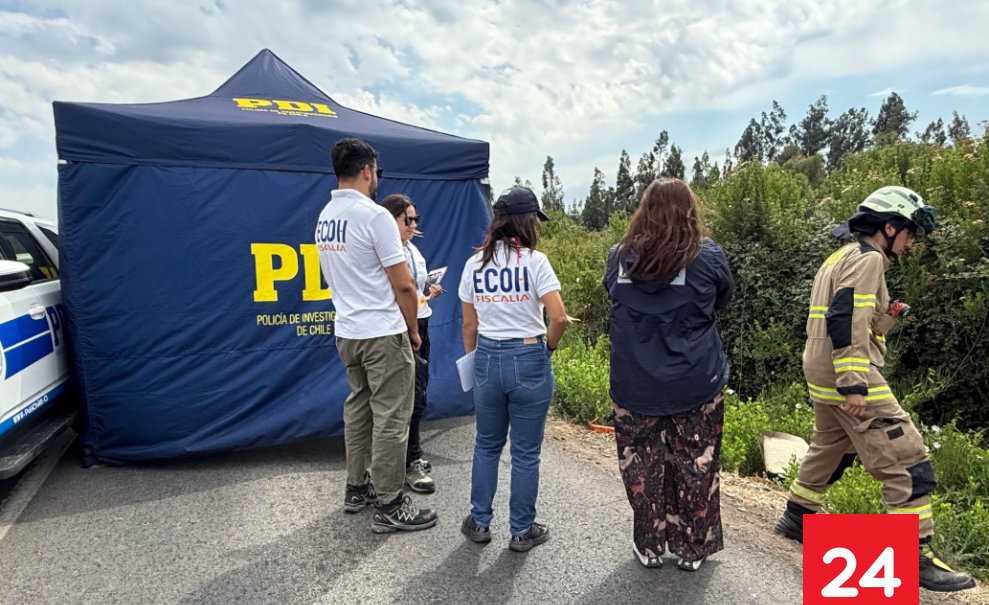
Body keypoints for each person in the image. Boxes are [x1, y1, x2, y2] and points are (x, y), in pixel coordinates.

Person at [774, 186, 975, 592]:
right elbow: (846, 317)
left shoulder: (842, 255)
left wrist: (887, 317)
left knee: (832, 444)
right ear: (889, 227)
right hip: (848, 371)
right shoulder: (869, 260)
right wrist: (854, 384)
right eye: (910, 232)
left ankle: (798, 517)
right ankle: (913, 554)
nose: (911, 242)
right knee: (905, 453)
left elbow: (847, 316)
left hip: (819, 365)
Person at [604, 178, 733, 571]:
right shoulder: (706, 255)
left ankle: (650, 546)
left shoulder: (620, 258)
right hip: (694, 381)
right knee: (696, 463)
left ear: (644, 210)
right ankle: (693, 547)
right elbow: (722, 298)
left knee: (640, 465)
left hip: (634, 384)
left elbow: (613, 295)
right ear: (690, 209)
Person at [315, 138, 437, 534]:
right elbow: (403, 285)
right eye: (376, 172)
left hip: (348, 330)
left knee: (359, 407)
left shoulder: (326, 217)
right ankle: (390, 503)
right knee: (392, 417)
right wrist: (413, 329)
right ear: (367, 170)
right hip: (382, 332)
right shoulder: (374, 216)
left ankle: (356, 487)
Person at [458, 186, 568, 552]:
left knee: (487, 445)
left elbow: (469, 325)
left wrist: (476, 361)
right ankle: (521, 531)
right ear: (527, 221)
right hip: (529, 356)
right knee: (525, 452)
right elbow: (558, 317)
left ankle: (479, 521)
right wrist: (548, 349)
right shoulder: (535, 262)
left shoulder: (474, 264)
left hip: (487, 357)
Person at [380, 194, 442, 495]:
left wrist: (429, 290)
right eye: (408, 218)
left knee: (419, 393)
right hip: (404, 326)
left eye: (415, 218)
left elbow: (414, 288)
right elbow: (397, 290)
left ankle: (410, 456)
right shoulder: (388, 249)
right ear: (391, 219)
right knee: (408, 397)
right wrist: (411, 328)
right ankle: (408, 461)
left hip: (420, 321)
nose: (413, 224)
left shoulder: (411, 249)